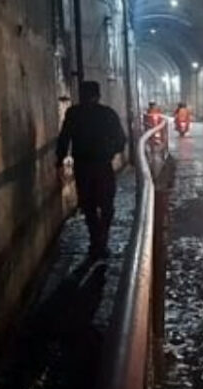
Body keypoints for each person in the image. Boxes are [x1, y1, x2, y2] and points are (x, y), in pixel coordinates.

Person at [56, 81, 127, 259]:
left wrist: (60, 159)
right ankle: (101, 241)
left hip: (83, 167)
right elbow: (120, 139)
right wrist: (110, 152)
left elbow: (64, 138)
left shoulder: (73, 113)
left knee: (88, 205)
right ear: (98, 95)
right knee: (106, 205)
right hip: (102, 166)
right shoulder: (107, 113)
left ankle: (96, 240)